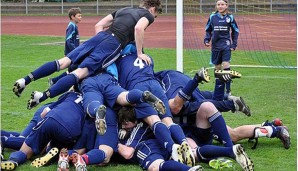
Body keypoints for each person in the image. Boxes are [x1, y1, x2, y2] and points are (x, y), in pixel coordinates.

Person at [13, 0, 162, 110]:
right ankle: (42, 96)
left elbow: (98, 25)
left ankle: (25, 80)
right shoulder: (146, 16)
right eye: (155, 16)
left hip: (99, 37)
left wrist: (102, 40)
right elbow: (138, 28)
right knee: (80, 72)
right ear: (153, 9)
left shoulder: (124, 9)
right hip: (112, 44)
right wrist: (140, 53)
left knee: (63, 62)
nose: (154, 19)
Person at [116, 44, 199, 166]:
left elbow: (121, 89)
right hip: (155, 85)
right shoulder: (146, 57)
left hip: (139, 88)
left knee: (154, 121)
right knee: (168, 121)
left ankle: (172, 148)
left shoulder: (120, 62)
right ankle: (183, 142)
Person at [117, 106, 254, 171]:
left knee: (155, 167)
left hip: (149, 146)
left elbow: (129, 152)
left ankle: (188, 170)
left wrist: (116, 145)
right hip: (171, 138)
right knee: (193, 153)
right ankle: (230, 151)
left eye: (126, 123)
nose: (124, 126)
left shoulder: (137, 129)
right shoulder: (153, 113)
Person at [1, 91, 86, 171]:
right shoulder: (90, 104)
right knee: (42, 144)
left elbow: (45, 112)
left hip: (50, 115)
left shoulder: (71, 94)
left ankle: (12, 157)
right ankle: (51, 152)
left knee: (29, 143)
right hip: (68, 129)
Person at [204, 0, 240, 98]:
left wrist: (234, 44)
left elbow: (236, 31)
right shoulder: (212, 17)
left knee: (226, 65)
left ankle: (228, 90)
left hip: (226, 45)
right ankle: (218, 89)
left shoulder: (230, 17)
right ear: (216, 6)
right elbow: (208, 29)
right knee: (217, 68)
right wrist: (207, 39)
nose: (220, 6)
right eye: (218, 4)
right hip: (215, 46)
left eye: (222, 4)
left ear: (226, 5)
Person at [48, 7, 82, 86]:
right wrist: (75, 51)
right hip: (72, 54)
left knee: (73, 70)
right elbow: (68, 40)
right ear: (72, 17)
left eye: (81, 16)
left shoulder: (74, 26)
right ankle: (55, 82)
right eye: (79, 16)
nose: (81, 18)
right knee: (74, 70)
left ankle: (54, 81)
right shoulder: (72, 26)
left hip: (72, 53)